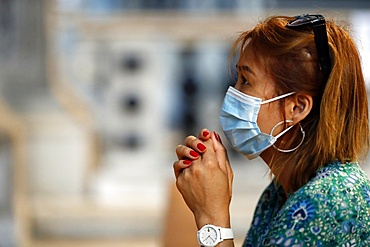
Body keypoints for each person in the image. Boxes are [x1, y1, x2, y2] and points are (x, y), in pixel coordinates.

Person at [173, 14, 370, 246]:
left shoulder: (328, 200)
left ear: (296, 107)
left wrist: (212, 218)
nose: (232, 94)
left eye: (246, 81)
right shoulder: (277, 193)